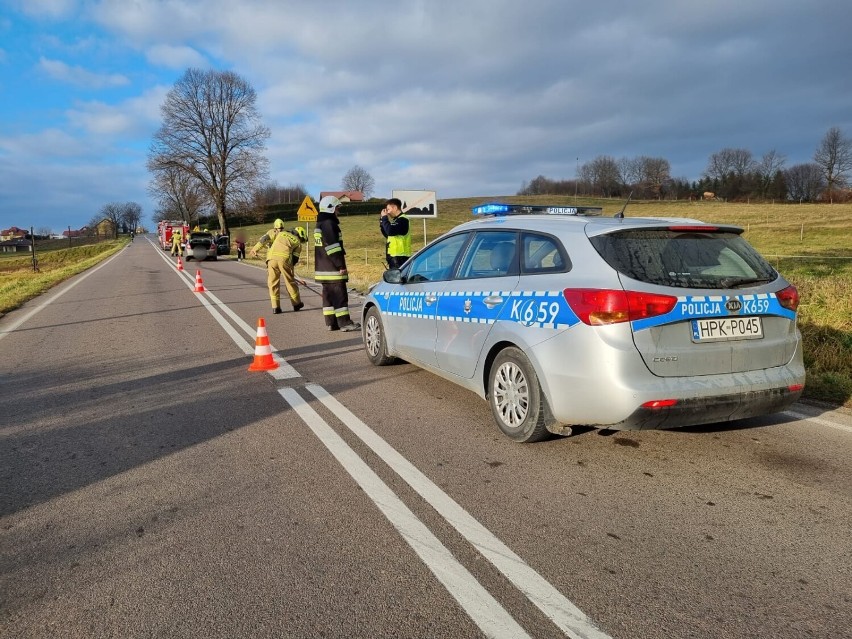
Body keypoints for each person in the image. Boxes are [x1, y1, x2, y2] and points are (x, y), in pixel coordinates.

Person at [314, 196, 360, 332]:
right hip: (332, 268)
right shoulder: (329, 223)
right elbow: (333, 247)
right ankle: (344, 323)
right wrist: (340, 265)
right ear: (331, 208)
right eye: (337, 208)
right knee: (340, 296)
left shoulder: (320, 224)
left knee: (328, 297)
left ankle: (331, 323)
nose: (338, 211)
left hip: (322, 269)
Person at [249, 219, 308, 314]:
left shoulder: (280, 234)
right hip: (284, 260)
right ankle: (296, 304)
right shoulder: (297, 242)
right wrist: (291, 274)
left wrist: (255, 249)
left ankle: (276, 307)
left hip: (271, 259)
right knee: (290, 283)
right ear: (300, 235)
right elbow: (294, 260)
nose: (301, 241)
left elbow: (264, 240)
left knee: (273, 283)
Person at [379, 197, 411, 269]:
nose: (388, 212)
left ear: (395, 208)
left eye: (388, 209)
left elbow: (390, 231)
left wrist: (385, 218)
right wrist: (382, 221)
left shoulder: (403, 220)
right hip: (394, 257)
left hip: (400, 257)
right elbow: (387, 234)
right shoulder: (396, 220)